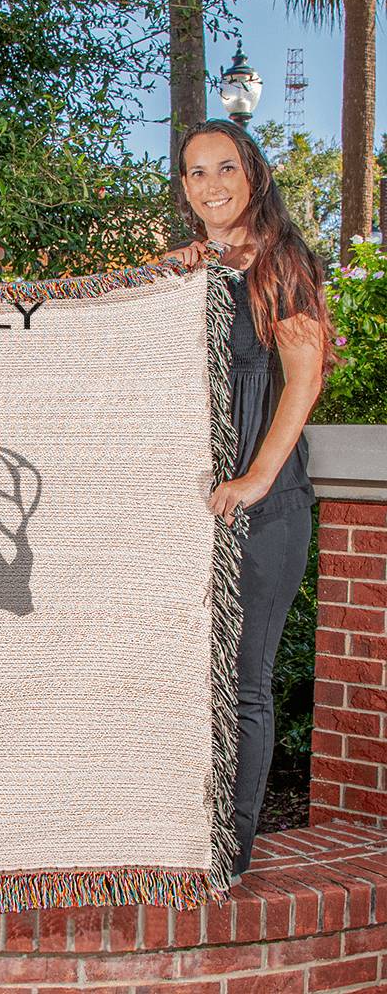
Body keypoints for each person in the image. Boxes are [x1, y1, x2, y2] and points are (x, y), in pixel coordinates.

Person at [159, 118, 341, 885]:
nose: (212, 186)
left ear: (254, 173)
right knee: (181, 676)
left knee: (243, 683)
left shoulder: (282, 262)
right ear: (184, 186)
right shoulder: (190, 269)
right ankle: (177, 832)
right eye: (196, 172)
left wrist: (258, 478)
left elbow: (304, 379)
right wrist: (169, 277)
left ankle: (229, 851)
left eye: (225, 168)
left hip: (264, 510)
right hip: (194, 513)